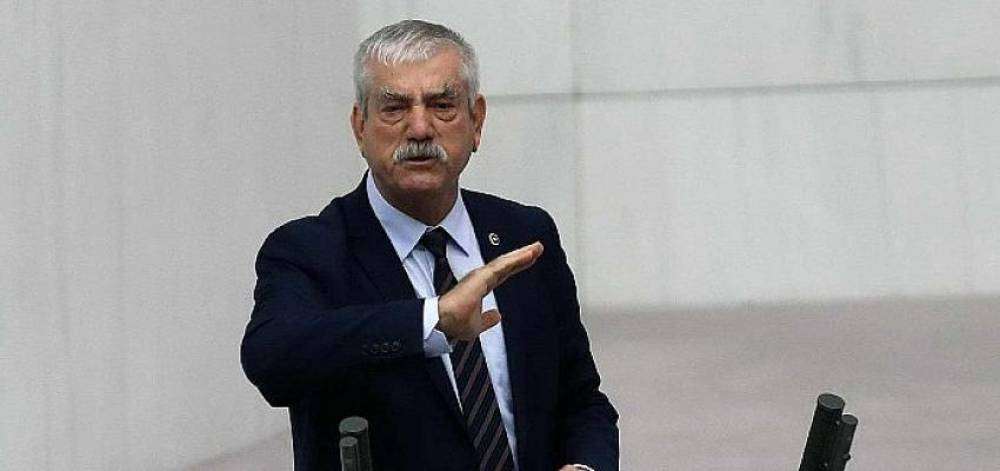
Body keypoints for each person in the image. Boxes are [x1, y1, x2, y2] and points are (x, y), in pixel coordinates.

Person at [241, 19, 619, 471]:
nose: (420, 128)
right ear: (360, 127)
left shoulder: (523, 235)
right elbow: (271, 359)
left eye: (442, 106)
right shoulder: (309, 250)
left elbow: (582, 400)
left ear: (476, 121)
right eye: (394, 108)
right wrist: (431, 321)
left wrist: (584, 466)